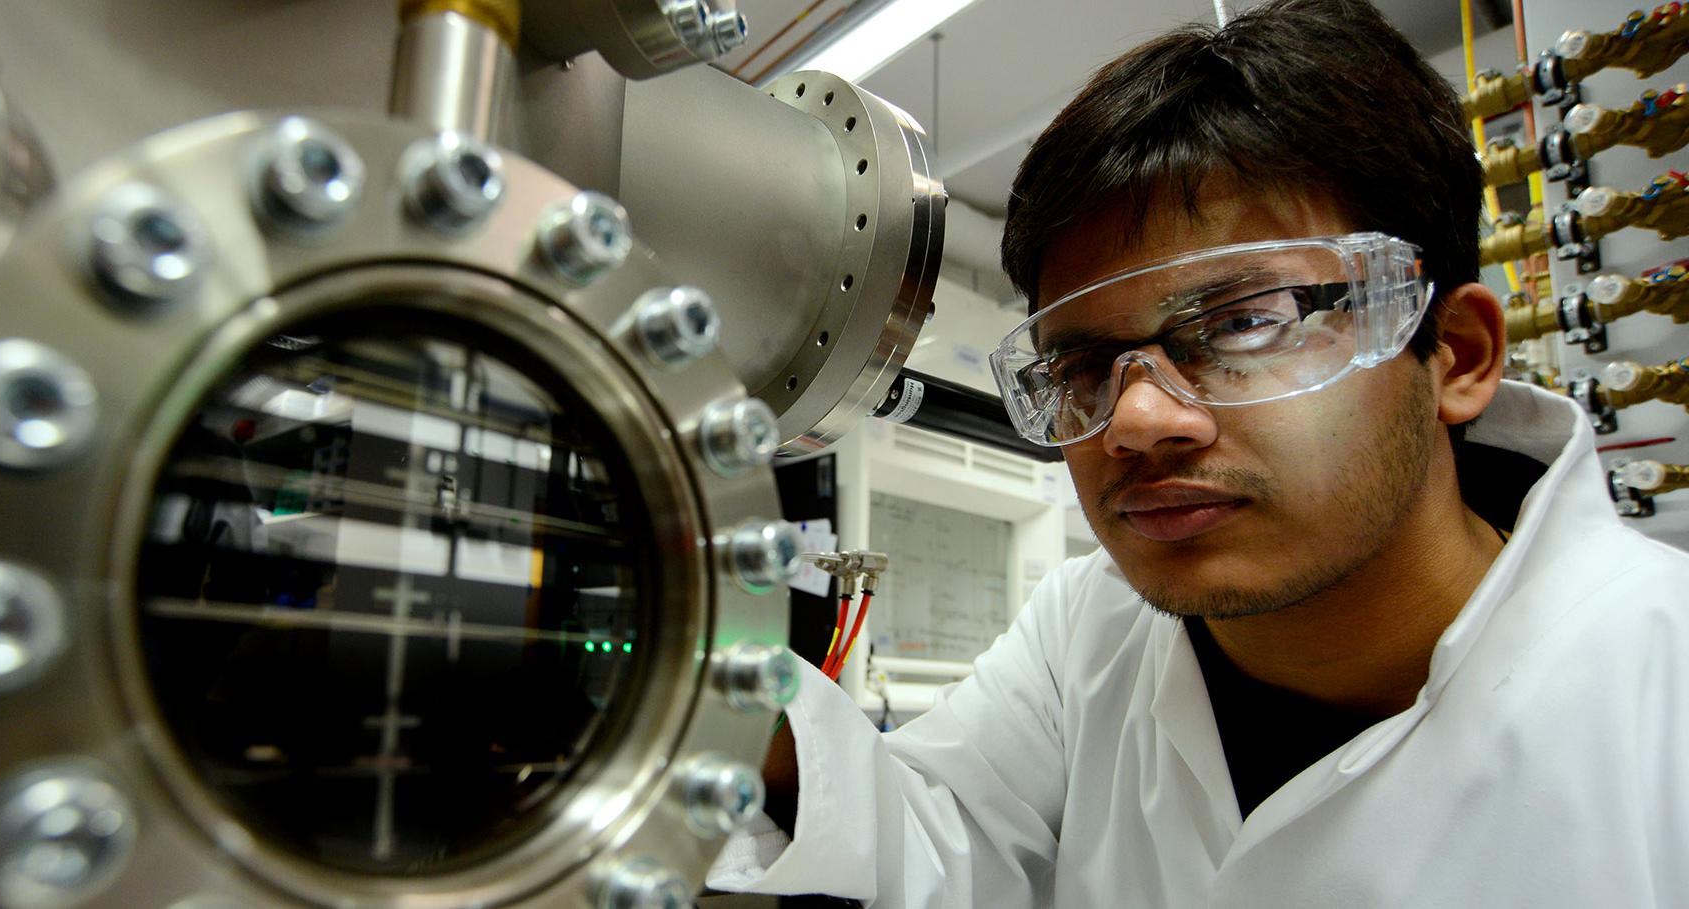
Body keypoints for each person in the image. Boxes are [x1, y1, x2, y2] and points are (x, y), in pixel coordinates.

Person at [706, 0, 1689, 905]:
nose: (1135, 423)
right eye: (1084, 363)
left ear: (1458, 355)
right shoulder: (1090, 627)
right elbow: (935, 837)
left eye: (1245, 323)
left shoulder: (1662, 686)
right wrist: (690, 686)